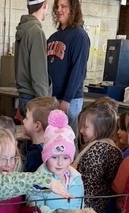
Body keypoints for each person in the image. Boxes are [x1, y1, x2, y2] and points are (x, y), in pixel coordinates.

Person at [74, 101, 122, 213]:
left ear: (101, 128)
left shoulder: (102, 149)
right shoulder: (104, 147)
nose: (81, 130)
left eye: (85, 127)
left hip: (91, 209)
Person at [46, 0, 90, 136]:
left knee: (68, 141)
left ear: (73, 9)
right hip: (53, 98)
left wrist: (66, 100)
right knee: (53, 140)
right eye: (57, 7)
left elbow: (78, 71)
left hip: (70, 101)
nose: (59, 10)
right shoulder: (53, 37)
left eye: (64, 6)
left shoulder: (79, 36)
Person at [14, 0, 51, 118]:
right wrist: (47, 104)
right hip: (34, 99)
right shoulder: (36, 32)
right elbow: (38, 74)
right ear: (45, 5)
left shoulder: (23, 30)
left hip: (23, 97)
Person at [21, 96, 59, 172]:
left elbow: (29, 180)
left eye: (26, 118)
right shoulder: (55, 148)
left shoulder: (36, 154)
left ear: (37, 126)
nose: (23, 121)